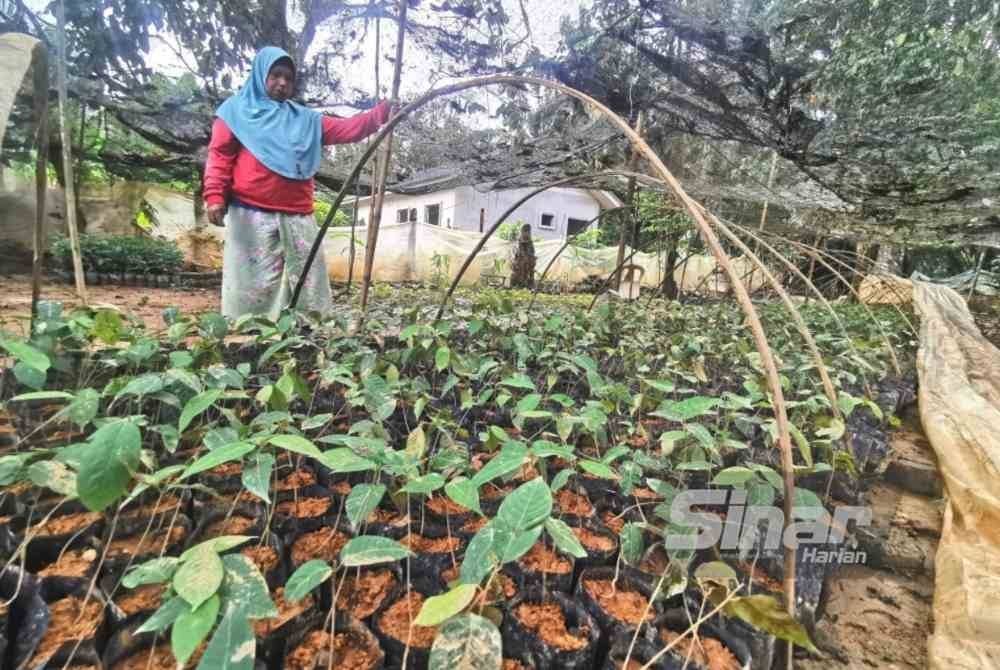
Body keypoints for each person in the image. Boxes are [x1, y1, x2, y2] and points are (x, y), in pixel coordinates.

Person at [203, 46, 390, 319]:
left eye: (289, 78)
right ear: (260, 75)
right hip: (250, 214)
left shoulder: (306, 120)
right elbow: (220, 156)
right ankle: (248, 330)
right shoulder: (234, 112)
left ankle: (306, 330)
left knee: (306, 279)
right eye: (275, 75)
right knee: (254, 284)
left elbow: (348, 129)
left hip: (298, 215)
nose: (282, 83)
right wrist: (214, 196)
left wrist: (382, 112)